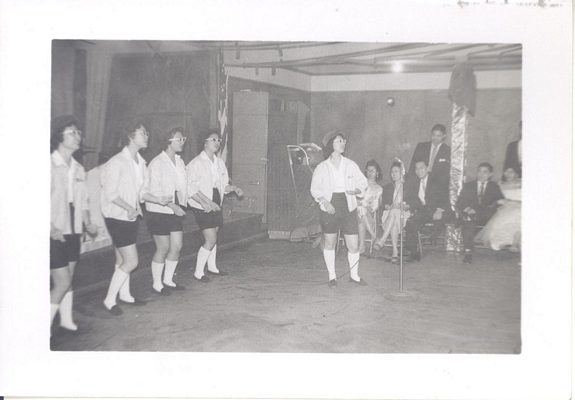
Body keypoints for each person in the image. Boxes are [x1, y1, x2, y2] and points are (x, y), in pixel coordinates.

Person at [100, 121, 170, 315]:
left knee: (121, 258)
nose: (146, 136)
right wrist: (129, 208)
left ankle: (125, 295)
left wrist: (159, 199)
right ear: (131, 137)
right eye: (142, 133)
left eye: (146, 133)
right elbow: (111, 194)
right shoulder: (117, 162)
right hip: (116, 216)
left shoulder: (141, 163)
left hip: (130, 216)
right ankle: (109, 300)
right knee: (131, 261)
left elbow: (142, 193)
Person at [50, 116, 99, 332]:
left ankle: (66, 319)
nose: (78, 136)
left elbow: (83, 201)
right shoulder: (49, 165)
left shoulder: (78, 168)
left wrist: (88, 223)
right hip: (53, 227)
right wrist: (51, 228)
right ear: (59, 136)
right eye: (72, 132)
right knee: (61, 282)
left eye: (78, 132)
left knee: (68, 279)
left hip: (73, 226)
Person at [310, 132, 368, 287]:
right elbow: (315, 189)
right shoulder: (322, 167)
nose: (343, 143)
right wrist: (324, 202)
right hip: (330, 205)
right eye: (339, 141)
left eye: (344, 140)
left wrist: (357, 190)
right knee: (330, 242)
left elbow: (363, 182)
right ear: (331, 145)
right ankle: (332, 276)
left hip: (348, 205)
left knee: (353, 244)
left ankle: (354, 276)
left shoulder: (350, 164)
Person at [187, 131, 243, 282]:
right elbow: (190, 188)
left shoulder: (219, 162)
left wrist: (233, 189)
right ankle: (198, 272)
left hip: (216, 199)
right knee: (210, 238)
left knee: (214, 236)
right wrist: (205, 202)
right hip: (201, 202)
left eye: (218, 140)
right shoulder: (196, 163)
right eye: (213, 140)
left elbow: (223, 185)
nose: (217, 142)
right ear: (205, 143)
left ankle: (212, 267)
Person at [146, 127, 188, 295]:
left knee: (177, 246)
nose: (182, 142)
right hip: (158, 210)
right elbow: (154, 192)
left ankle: (168, 280)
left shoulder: (179, 161)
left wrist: (183, 203)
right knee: (163, 247)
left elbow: (181, 187)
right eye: (179, 139)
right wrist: (173, 206)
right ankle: (157, 284)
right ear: (168, 142)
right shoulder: (157, 163)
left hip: (175, 210)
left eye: (183, 139)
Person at [403, 160, 453, 262]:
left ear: (427, 168)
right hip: (424, 210)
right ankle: (414, 252)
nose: (419, 171)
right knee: (410, 223)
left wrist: (439, 210)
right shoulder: (415, 182)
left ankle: (430, 238)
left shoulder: (436, 180)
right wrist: (409, 206)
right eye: (416, 169)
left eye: (421, 168)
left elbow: (445, 196)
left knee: (436, 225)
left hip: (437, 209)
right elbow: (414, 200)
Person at [456, 162, 504, 264]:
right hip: (470, 215)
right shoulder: (468, 186)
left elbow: (499, 202)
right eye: (479, 171)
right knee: (468, 221)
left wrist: (477, 210)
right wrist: (467, 208)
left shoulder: (493, 187)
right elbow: (460, 202)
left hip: (487, 216)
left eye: (485, 172)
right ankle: (468, 252)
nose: (481, 174)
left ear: (490, 174)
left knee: (471, 218)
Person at [475, 166, 521, 251]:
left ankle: (516, 242)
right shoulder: (499, 184)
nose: (508, 174)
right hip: (505, 208)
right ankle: (505, 243)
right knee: (505, 217)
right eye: (506, 172)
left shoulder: (522, 183)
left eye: (511, 172)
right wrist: (498, 202)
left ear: (516, 174)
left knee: (518, 215)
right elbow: (495, 198)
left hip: (521, 206)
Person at [373, 159, 410, 262]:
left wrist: (404, 206)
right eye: (392, 172)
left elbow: (410, 203)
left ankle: (382, 240)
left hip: (404, 213)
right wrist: (389, 206)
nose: (393, 174)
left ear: (402, 172)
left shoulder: (407, 186)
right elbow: (385, 204)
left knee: (395, 212)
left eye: (396, 171)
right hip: (389, 214)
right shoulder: (387, 187)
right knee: (393, 213)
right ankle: (394, 251)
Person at [408, 123, 451, 193]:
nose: (435, 138)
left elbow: (446, 174)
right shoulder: (421, 147)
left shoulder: (448, 151)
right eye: (433, 135)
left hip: (436, 188)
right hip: (419, 185)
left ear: (444, 136)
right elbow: (412, 167)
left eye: (439, 136)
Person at [357, 160, 383, 255]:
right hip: (354, 213)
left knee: (361, 211)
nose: (370, 173)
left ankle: (362, 246)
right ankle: (375, 236)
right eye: (368, 170)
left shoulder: (379, 189)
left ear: (377, 173)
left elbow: (374, 208)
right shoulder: (360, 183)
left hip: (368, 215)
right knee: (360, 209)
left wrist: (366, 205)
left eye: (373, 171)